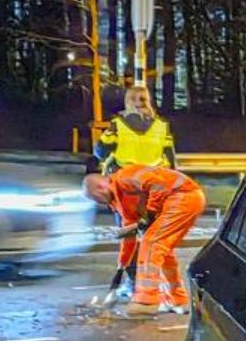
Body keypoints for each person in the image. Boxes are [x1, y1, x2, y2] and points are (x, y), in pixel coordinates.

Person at [82, 164, 205, 315]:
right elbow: (129, 237)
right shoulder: (120, 201)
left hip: (182, 196)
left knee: (151, 243)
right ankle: (176, 300)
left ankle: (146, 301)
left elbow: (157, 183)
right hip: (183, 199)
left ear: (100, 187)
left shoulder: (124, 177)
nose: (99, 203)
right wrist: (122, 264)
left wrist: (151, 211)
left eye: (96, 198)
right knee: (163, 253)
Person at [95, 85, 176, 174]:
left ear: (127, 102)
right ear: (148, 101)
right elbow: (170, 158)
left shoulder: (117, 125)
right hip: (154, 177)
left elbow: (100, 152)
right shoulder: (162, 125)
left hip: (125, 177)